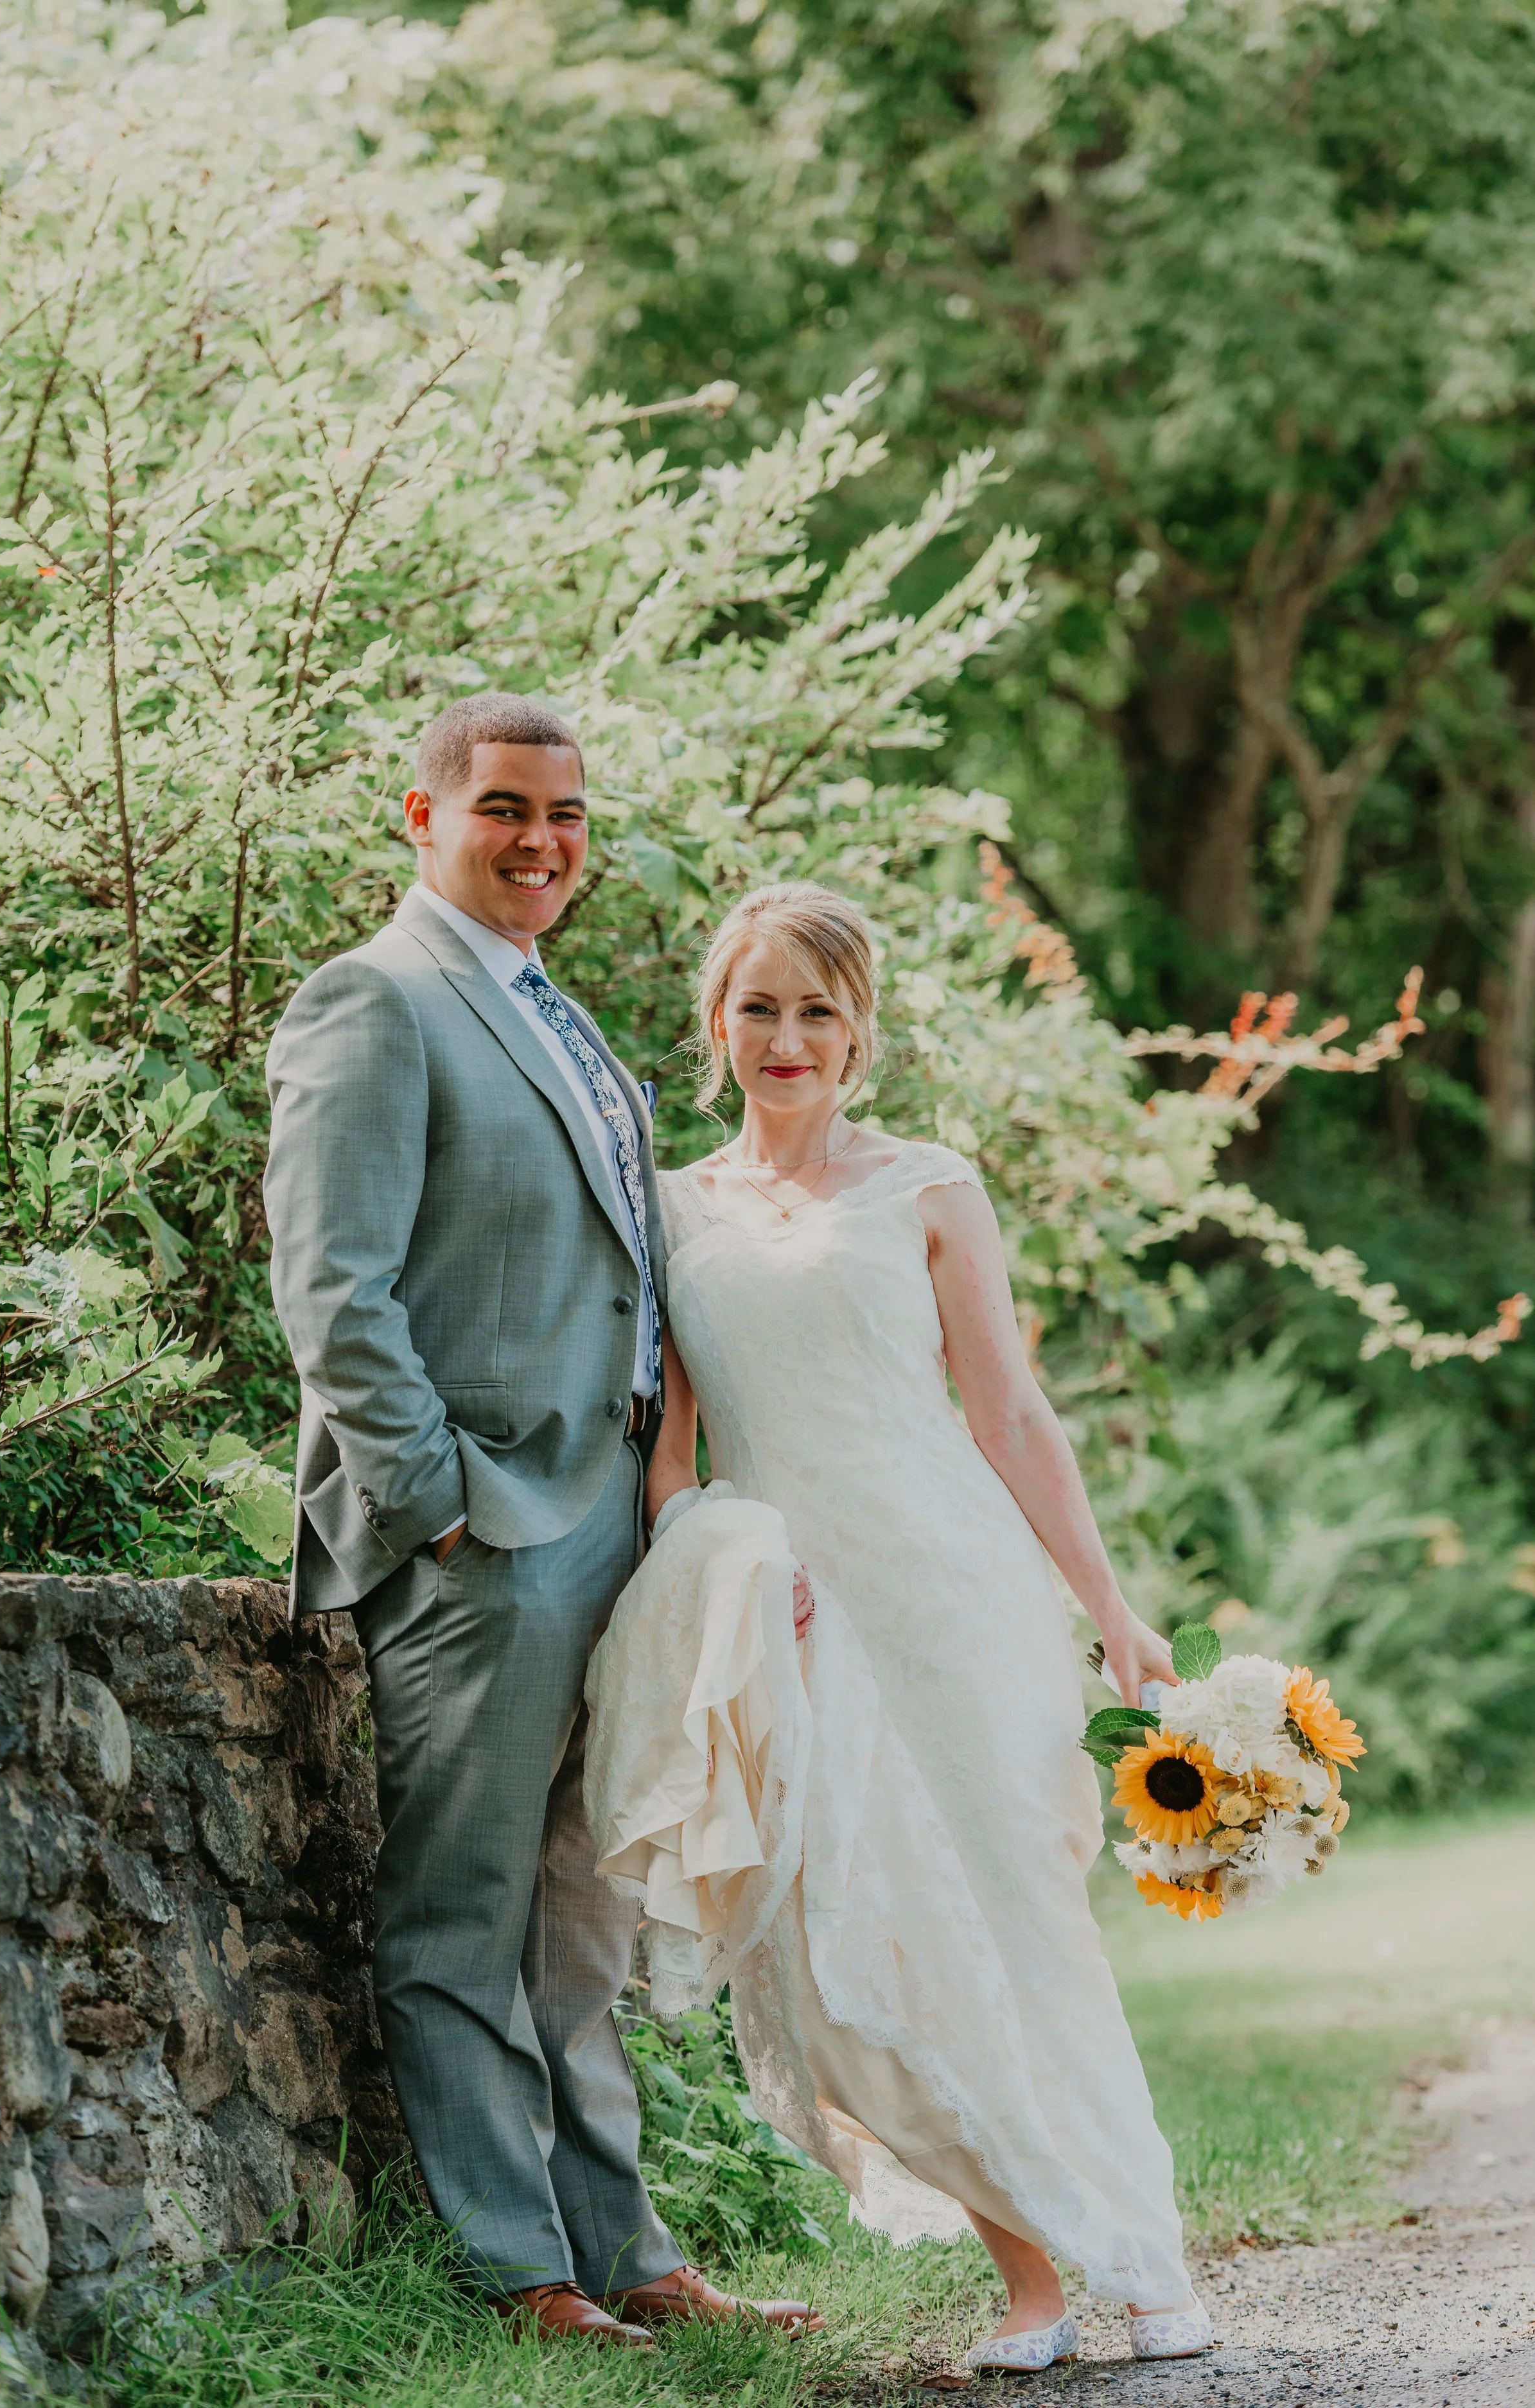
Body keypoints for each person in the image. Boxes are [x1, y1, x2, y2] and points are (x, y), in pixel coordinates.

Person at [263, 694, 814, 2347]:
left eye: (565, 815)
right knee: (457, 1920)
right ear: (419, 815)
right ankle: (522, 2274)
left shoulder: (558, 1015)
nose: (541, 842)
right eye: (504, 808)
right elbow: (333, 1289)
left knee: (573, 1923)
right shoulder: (372, 1002)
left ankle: (632, 2255)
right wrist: (437, 1505)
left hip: (614, 1533)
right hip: (481, 1537)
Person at [640, 880, 1213, 2372]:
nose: (784, 1036)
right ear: (717, 1022)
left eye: (814, 1009)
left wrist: (1111, 1607)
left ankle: (1127, 2269)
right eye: (757, 1006)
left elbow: (1009, 1415)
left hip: (958, 1604)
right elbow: (665, 1458)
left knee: (1016, 1930)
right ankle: (1032, 2272)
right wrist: (722, 1567)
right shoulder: (670, 1211)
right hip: (797, 1629)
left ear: (858, 1028)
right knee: (851, 1965)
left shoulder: (927, 1189)